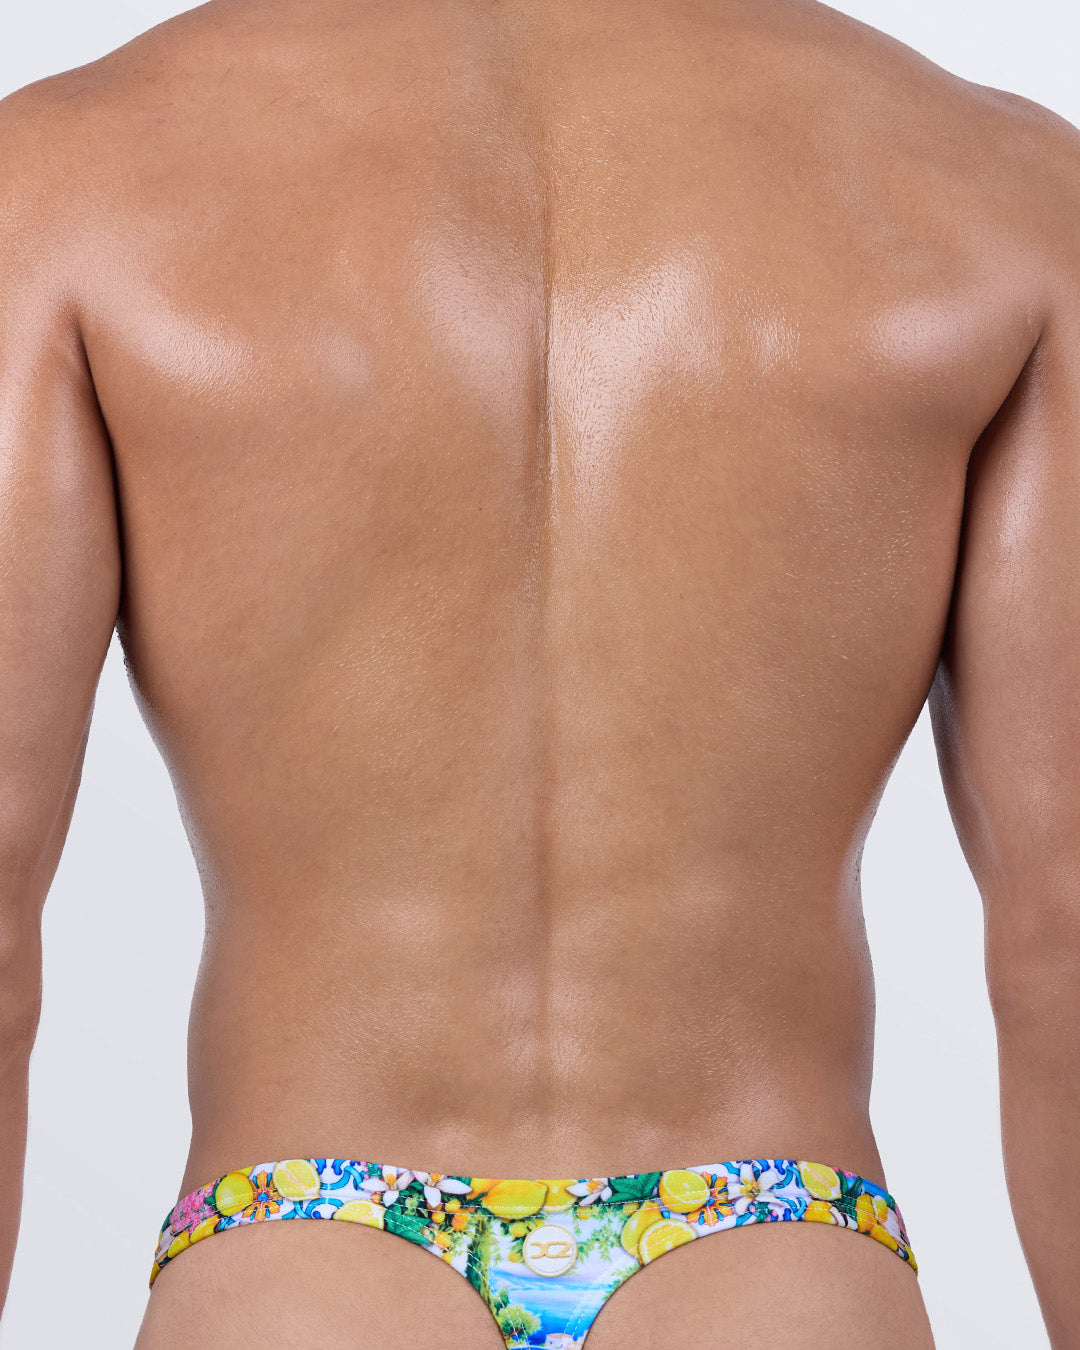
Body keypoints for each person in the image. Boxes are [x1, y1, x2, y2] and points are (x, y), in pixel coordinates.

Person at [1, 0, 1077, 1344]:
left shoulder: (70, 176)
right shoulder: (998, 187)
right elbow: (1061, 920)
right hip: (772, 1244)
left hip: (305, 1247)